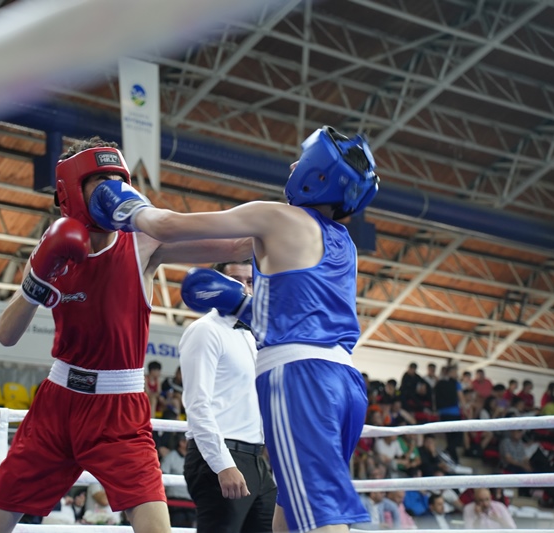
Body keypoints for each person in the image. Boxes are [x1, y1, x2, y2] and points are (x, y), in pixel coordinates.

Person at [88, 126, 379, 531]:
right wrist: (240, 302)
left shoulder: (276, 216)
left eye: (302, 159)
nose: (294, 164)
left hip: (299, 379)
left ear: (317, 175)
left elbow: (169, 226)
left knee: (321, 520)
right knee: (288, 518)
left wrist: (127, 206)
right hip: (345, 383)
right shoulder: (342, 241)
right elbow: (283, 292)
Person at [0, 137, 251, 533]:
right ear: (71, 190)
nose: (111, 191)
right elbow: (4, 334)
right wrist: (37, 279)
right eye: (98, 180)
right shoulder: (53, 246)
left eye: (115, 179)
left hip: (119, 410)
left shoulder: (142, 240)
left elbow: (239, 245)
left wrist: (295, 224)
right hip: (56, 405)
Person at [179, 260, 276, 533]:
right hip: (220, 456)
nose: (244, 289)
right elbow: (197, 404)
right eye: (236, 280)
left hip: (256, 459)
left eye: (249, 281)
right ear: (217, 284)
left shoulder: (252, 335)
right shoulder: (205, 331)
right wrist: (223, 465)